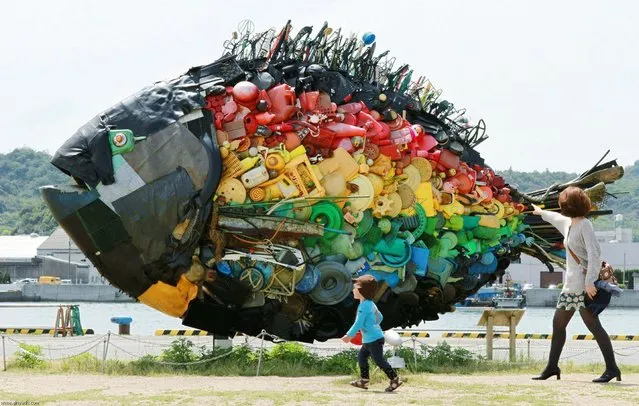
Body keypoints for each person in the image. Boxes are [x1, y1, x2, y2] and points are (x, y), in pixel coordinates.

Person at [530, 186, 621, 383]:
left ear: (568, 205)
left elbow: (594, 254)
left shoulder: (585, 225)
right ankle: (552, 367)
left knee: (594, 326)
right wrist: (539, 212)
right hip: (571, 286)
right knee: (559, 324)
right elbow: (555, 218)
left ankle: (612, 369)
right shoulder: (569, 224)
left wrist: (589, 283)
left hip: (583, 286)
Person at [342, 275, 403, 392]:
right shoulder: (370, 303)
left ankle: (395, 379)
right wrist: (374, 325)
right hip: (370, 339)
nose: (353, 290)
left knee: (379, 361)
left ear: (362, 291)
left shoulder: (363, 307)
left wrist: (348, 336)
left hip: (373, 340)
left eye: (355, 288)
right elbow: (380, 317)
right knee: (362, 358)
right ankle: (364, 381)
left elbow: (358, 323)